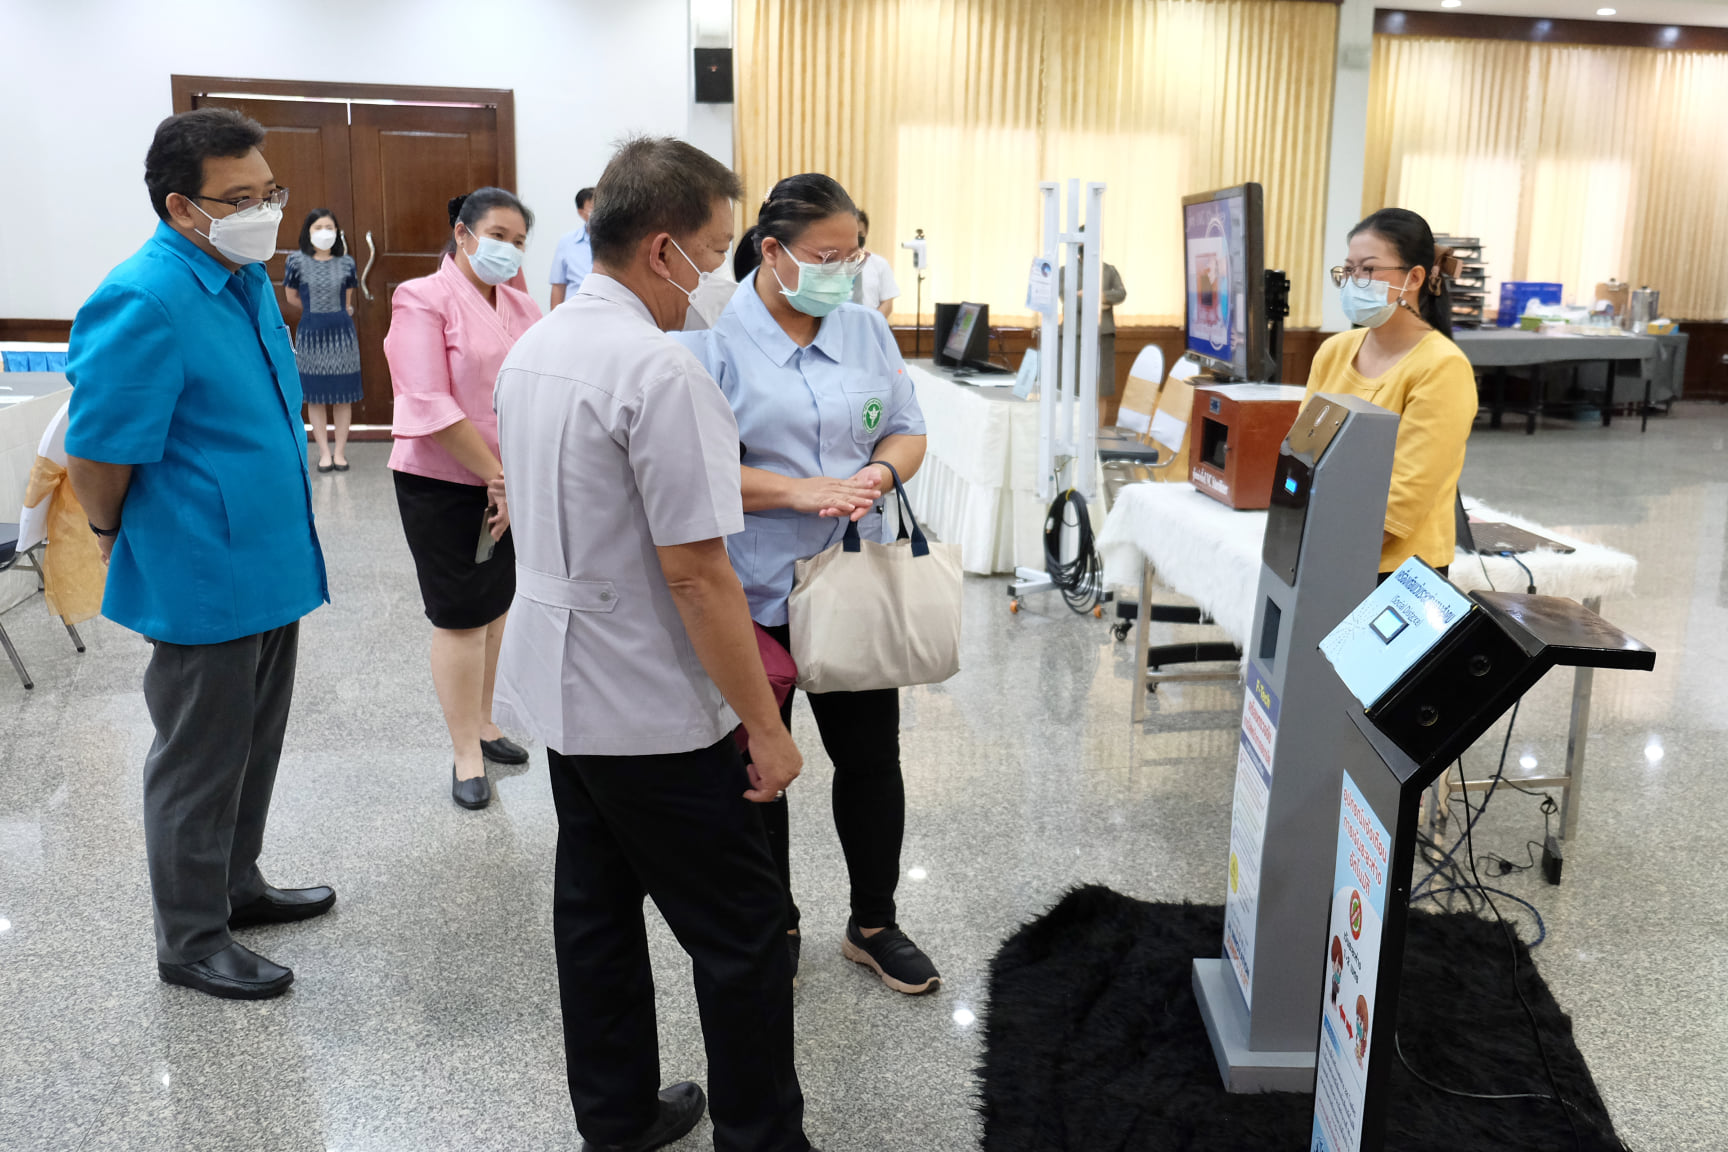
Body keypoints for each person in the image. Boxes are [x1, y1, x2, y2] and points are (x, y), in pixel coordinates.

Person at [493, 137, 815, 1152]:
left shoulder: (538, 344)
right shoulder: (656, 370)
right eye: (718, 251)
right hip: (648, 698)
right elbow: (697, 573)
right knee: (745, 935)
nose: (718, 276)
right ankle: (765, 1139)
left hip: (563, 683)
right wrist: (764, 727)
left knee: (595, 914)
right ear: (665, 249)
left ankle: (619, 1117)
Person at [63, 108, 333, 1000]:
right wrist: (111, 536)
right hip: (200, 570)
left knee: (254, 745)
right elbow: (98, 453)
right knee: (196, 759)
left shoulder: (245, 274)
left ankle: (236, 885)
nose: (265, 212)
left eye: (271, 193)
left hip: (269, 559)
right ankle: (189, 938)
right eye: (242, 198)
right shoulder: (145, 296)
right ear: (183, 207)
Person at [675, 173, 939, 997]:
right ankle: (775, 917)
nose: (843, 271)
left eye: (852, 254)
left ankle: (873, 922)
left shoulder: (865, 330)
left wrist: (874, 474)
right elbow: (697, 470)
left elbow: (908, 428)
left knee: (871, 760)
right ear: (772, 253)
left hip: (852, 580)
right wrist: (802, 491)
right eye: (826, 256)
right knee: (764, 763)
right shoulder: (710, 338)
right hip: (755, 591)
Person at [384, 187, 543, 810]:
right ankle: (464, 753)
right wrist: (494, 476)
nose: (508, 249)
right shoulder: (421, 298)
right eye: (497, 234)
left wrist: (515, 478)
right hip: (443, 480)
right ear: (463, 233)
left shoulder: (524, 308)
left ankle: (487, 721)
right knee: (460, 616)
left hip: (510, 480)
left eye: (520, 240)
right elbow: (427, 402)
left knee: (498, 604)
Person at [1306, 207, 1477, 577]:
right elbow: (1303, 456)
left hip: (1397, 572)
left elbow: (1402, 502)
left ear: (1414, 277)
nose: (1354, 281)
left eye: (1368, 269)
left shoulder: (1442, 367)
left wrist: (1320, 548)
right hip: (1321, 546)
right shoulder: (1334, 351)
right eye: (1349, 270)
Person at [284, 208, 361, 473]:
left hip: (342, 334)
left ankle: (340, 452)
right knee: (314, 396)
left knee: (343, 396)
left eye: (328, 227)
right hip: (310, 333)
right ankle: (324, 453)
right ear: (308, 232)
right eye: (317, 227)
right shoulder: (295, 261)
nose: (323, 232)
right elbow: (291, 297)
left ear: (337, 232)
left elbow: (348, 299)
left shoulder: (347, 262)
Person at [1057, 229, 1127, 424]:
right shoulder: (1066, 271)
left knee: (1101, 390)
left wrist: (1093, 295)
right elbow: (1069, 300)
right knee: (1071, 389)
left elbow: (1120, 294)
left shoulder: (1108, 270)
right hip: (1073, 335)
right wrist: (1101, 300)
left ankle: (1099, 435)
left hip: (1101, 336)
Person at [548, 185, 595, 308]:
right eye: (593, 207)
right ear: (581, 213)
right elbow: (558, 286)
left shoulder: (616, 242)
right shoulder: (567, 242)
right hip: (574, 314)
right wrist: (555, 322)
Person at [849, 210, 899, 318]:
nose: (856, 238)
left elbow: (887, 303)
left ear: (866, 232)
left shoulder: (880, 264)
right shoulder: (832, 263)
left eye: (860, 234)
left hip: (872, 327)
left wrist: (873, 324)